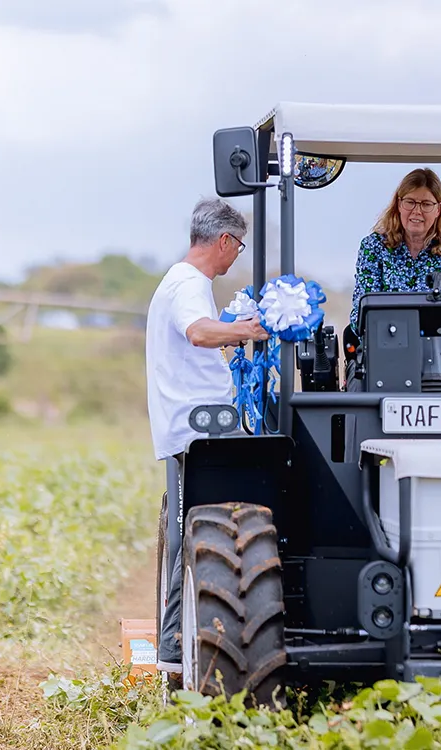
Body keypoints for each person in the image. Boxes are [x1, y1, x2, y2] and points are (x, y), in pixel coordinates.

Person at [145, 196, 269, 678]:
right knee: (193, 538)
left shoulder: (180, 281)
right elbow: (198, 333)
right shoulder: (188, 284)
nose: (237, 254)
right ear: (222, 240)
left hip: (198, 427)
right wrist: (245, 331)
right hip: (197, 433)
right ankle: (176, 651)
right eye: (237, 245)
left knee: (195, 534)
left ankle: (180, 645)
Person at [346, 168, 441, 392]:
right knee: (359, 382)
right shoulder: (373, 247)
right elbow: (359, 315)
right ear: (398, 204)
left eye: (426, 204)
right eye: (410, 202)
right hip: (384, 354)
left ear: (439, 208)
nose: (416, 211)